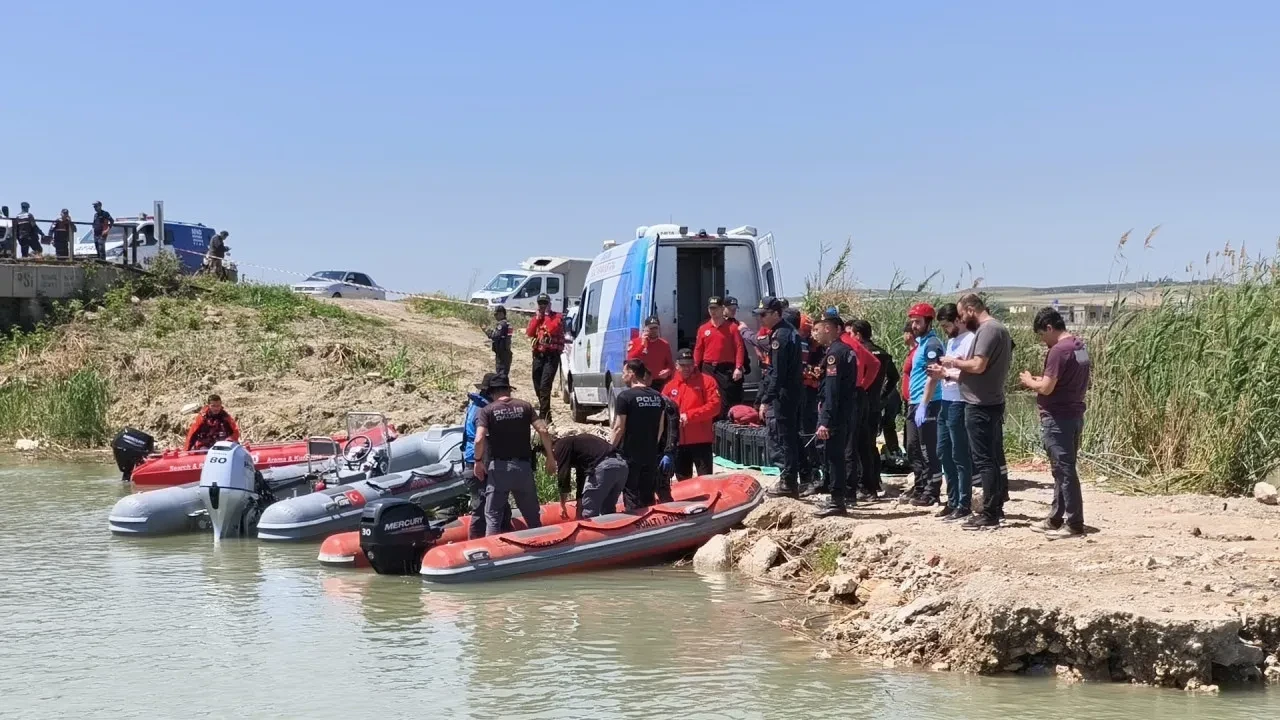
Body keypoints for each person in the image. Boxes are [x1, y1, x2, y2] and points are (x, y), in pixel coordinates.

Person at [940, 293, 1013, 530]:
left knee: (983, 460)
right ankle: (995, 507)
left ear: (971, 309)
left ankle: (990, 511)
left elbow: (979, 365)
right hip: (988, 401)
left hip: (980, 404)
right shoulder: (997, 329)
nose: (961, 319)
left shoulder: (988, 330)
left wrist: (954, 362)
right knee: (988, 458)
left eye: (961, 314)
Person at [1020, 307, 1091, 538]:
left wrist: (1030, 381)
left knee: (1064, 470)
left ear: (1049, 327)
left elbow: (1047, 387)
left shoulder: (1058, 351)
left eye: (1042, 335)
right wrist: (1044, 381)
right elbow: (1064, 381)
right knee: (1061, 470)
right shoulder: (1079, 346)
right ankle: (1055, 517)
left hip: (1057, 419)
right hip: (1074, 414)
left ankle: (1074, 522)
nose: (1043, 341)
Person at [473, 373, 557, 536]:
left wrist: (478, 461)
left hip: (499, 469)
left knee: (493, 517)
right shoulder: (525, 406)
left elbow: (479, 439)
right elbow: (543, 430)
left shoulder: (487, 410)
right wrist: (550, 458)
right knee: (532, 516)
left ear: (492, 392)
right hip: (523, 468)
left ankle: (495, 554)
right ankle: (543, 547)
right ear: (509, 390)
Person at [810, 313, 858, 516]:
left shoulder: (835, 354)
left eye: (818, 329)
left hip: (836, 414)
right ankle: (836, 498)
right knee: (835, 455)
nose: (816, 334)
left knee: (834, 456)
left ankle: (837, 502)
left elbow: (832, 391)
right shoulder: (840, 350)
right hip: (843, 411)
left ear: (827, 328)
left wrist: (825, 421)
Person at [756, 297, 804, 498]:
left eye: (764, 315)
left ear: (776, 313)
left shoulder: (780, 337)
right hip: (792, 391)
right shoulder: (787, 331)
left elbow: (778, 372)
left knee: (784, 438)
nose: (761, 319)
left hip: (785, 393)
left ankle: (788, 481)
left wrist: (767, 399)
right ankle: (791, 479)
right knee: (789, 437)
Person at [932, 304, 976, 521]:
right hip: (946, 400)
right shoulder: (951, 341)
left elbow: (970, 374)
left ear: (958, 320)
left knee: (959, 454)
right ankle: (951, 499)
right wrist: (941, 372)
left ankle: (963, 502)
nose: (945, 330)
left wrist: (947, 374)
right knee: (943, 451)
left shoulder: (970, 340)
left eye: (947, 325)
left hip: (959, 400)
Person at [902, 303, 945, 506]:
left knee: (928, 449)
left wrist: (924, 404)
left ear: (928, 322)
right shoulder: (921, 343)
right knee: (913, 447)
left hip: (927, 403)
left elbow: (933, 376)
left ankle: (932, 490)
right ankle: (921, 486)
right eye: (912, 321)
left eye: (918, 321)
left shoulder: (932, 344)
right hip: (915, 402)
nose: (914, 325)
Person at [612, 359, 668, 510]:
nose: (622, 376)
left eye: (624, 373)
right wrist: (651, 445)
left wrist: (609, 448)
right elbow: (661, 429)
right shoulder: (658, 397)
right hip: (650, 453)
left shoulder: (625, 397)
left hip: (631, 454)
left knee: (631, 493)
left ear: (632, 374)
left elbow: (618, 428)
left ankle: (634, 526)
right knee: (647, 493)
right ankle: (650, 526)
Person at [852, 319, 896, 500]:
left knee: (860, 446)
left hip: (862, 404)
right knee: (870, 446)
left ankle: (865, 485)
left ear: (858, 334)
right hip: (875, 404)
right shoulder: (883, 353)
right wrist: (883, 396)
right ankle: (874, 482)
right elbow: (894, 377)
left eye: (852, 334)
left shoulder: (862, 353)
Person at [462, 374, 511, 539]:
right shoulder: (483, 411)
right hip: (479, 464)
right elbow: (480, 439)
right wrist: (478, 462)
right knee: (482, 508)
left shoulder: (476, 406)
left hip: (479, 463)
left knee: (499, 506)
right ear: (492, 393)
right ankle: (476, 545)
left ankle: (504, 540)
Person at [662, 348, 721, 479]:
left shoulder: (707, 381)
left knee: (705, 481)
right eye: (683, 365)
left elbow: (715, 406)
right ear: (676, 365)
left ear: (694, 364)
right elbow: (663, 411)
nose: (686, 368)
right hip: (678, 443)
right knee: (683, 482)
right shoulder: (670, 386)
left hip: (701, 441)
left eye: (689, 364)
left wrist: (689, 416)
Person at [838, 316, 880, 501]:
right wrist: (863, 384)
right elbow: (874, 364)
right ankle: (868, 487)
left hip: (850, 397)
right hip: (860, 396)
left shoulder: (843, 345)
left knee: (848, 445)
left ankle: (849, 490)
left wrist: (859, 384)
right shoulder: (853, 344)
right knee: (863, 444)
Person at [552, 432, 627, 519]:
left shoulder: (560, 445)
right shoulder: (579, 447)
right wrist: (579, 507)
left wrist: (562, 504)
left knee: (589, 513)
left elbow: (563, 475)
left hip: (604, 466)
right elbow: (581, 479)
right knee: (608, 511)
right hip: (621, 464)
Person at [693, 297, 745, 418]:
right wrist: (695, 366)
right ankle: (712, 422)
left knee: (725, 397)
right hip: (708, 367)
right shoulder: (703, 329)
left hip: (726, 368)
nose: (713, 311)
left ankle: (724, 423)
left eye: (715, 308)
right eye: (711, 308)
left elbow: (739, 348)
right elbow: (698, 349)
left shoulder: (732, 328)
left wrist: (738, 367)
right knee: (709, 395)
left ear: (722, 309)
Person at [525, 293, 566, 422]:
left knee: (545, 385)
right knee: (537, 384)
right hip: (538, 356)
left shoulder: (557, 317)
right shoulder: (536, 318)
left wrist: (546, 315)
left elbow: (551, 329)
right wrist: (538, 317)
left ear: (549, 304)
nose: (542, 305)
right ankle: (544, 411)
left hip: (551, 356)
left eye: (545, 303)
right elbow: (530, 332)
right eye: (540, 303)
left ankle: (545, 416)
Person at [626, 316, 675, 393]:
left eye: (655, 328)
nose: (653, 330)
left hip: (657, 381)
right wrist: (642, 345)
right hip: (640, 381)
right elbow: (630, 360)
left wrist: (667, 371)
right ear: (645, 329)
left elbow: (670, 365)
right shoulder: (635, 342)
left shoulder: (664, 344)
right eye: (651, 328)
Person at [723, 297, 751, 406]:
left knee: (737, 395)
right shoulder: (721, 325)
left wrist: (746, 363)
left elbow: (741, 347)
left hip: (737, 366)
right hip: (725, 366)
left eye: (735, 308)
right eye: (730, 308)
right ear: (723, 308)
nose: (733, 311)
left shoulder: (738, 324)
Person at [485, 305, 514, 375]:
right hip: (505, 351)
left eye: (496, 314)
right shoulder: (507, 323)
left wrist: (487, 331)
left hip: (502, 353)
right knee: (503, 373)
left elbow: (495, 336)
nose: (495, 316)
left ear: (501, 313)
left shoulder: (502, 324)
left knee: (501, 373)